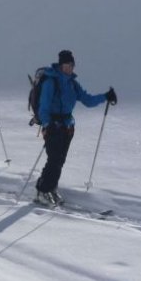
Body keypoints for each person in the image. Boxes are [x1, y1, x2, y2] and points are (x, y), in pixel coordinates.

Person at [35, 50, 117, 205]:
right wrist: (47, 124)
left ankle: (52, 187)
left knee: (60, 160)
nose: (69, 68)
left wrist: (105, 96)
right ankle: (42, 190)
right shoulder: (51, 82)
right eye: (66, 65)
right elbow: (44, 107)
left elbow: (87, 100)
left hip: (67, 127)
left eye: (71, 65)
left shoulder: (72, 83)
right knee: (53, 159)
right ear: (60, 65)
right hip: (52, 126)